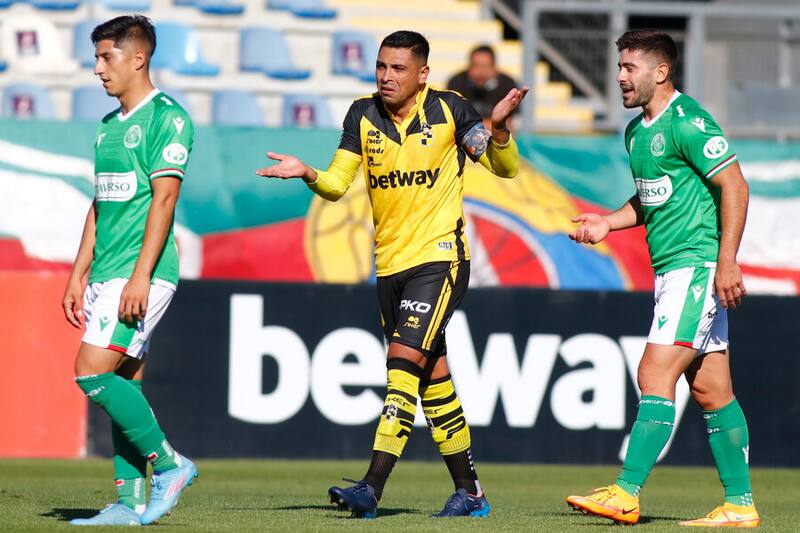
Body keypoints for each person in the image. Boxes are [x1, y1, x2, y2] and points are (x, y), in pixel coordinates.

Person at [257, 30, 528, 519]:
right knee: (432, 382)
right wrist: (308, 173)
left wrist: (501, 131)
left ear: (422, 74)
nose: (386, 76)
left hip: (440, 258)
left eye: (399, 68)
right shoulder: (362, 115)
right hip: (389, 266)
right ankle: (470, 493)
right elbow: (339, 185)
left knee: (402, 362)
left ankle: (371, 487)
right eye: (382, 66)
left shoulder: (451, 110)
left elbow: (502, 168)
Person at [565, 29, 758, 528]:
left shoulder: (689, 123)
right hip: (674, 271)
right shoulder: (636, 132)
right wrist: (608, 221)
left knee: (653, 374)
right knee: (713, 391)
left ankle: (626, 491)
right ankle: (740, 504)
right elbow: (653, 199)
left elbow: (734, 183)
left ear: (660, 72)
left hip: (696, 267)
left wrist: (727, 261)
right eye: (620, 66)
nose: (620, 77)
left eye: (630, 68)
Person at [61, 15, 197, 526]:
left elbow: (164, 200)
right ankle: (128, 501)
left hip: (141, 273)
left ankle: (170, 465)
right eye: (96, 57)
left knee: (89, 372)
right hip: (106, 273)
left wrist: (140, 276)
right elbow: (100, 205)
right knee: (125, 384)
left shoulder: (169, 118)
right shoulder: (107, 128)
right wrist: (79, 272)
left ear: (138, 58)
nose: (98, 68)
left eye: (106, 57)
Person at [447, 44, 518, 127]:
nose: (480, 72)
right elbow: (453, 122)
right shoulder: (457, 83)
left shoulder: (507, 84)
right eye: (476, 66)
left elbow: (507, 125)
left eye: (484, 66)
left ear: (494, 67)